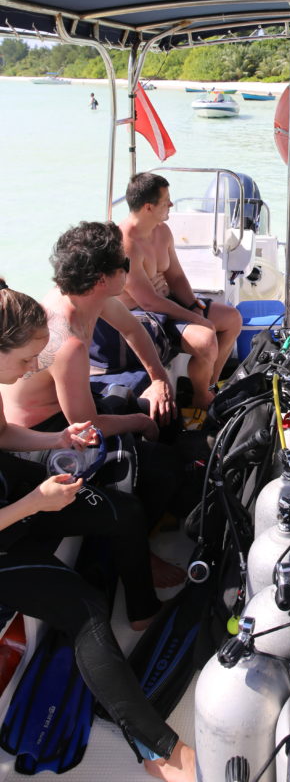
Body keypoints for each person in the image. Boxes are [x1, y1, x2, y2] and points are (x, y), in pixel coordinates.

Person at [0, 281, 194, 781]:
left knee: (125, 512)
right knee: (84, 609)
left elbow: (2, 435)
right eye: (26, 361)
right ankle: (162, 753)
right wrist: (34, 504)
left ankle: (143, 611)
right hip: (6, 529)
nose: (33, 371)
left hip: (17, 492)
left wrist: (58, 437)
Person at [0, 222, 184, 585]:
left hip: (64, 413)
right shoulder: (62, 334)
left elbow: (134, 330)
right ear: (104, 278)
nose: (130, 269)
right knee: (138, 459)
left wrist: (161, 379)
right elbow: (84, 421)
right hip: (38, 430)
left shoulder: (95, 300)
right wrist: (138, 422)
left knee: (151, 411)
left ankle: (152, 519)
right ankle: (134, 555)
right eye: (124, 265)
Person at [119, 172, 242, 416]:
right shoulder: (125, 243)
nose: (172, 205)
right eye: (166, 201)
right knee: (206, 340)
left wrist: (193, 305)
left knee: (232, 319)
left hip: (166, 302)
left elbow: (175, 276)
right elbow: (147, 300)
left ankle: (206, 388)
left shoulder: (161, 231)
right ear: (148, 207)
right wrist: (195, 318)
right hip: (141, 315)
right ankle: (199, 399)